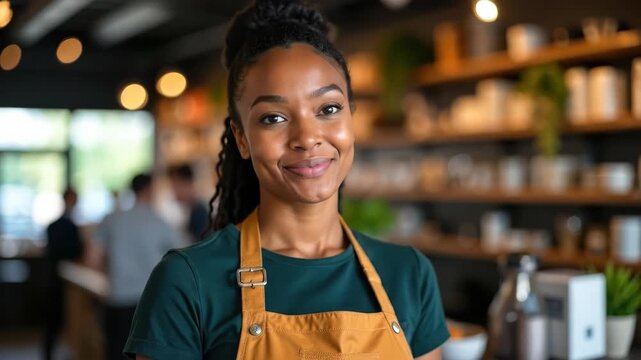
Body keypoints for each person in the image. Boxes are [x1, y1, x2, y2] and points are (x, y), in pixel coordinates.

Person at [125, 1, 449, 359]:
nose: (307, 137)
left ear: (352, 118)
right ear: (242, 138)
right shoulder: (187, 282)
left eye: (328, 109)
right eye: (273, 118)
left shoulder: (409, 274)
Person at [88, 173, 181, 360]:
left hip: (117, 297)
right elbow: (178, 259)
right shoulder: (159, 222)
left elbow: (92, 257)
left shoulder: (112, 218)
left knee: (114, 351)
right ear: (149, 190)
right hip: (148, 300)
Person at [43, 187, 84, 360]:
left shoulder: (54, 226)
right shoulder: (67, 226)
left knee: (56, 321)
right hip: (59, 279)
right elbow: (76, 250)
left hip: (56, 278)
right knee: (56, 320)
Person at [167, 163, 209, 243]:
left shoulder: (200, 213)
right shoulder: (191, 210)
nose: (173, 191)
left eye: (175, 185)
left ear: (187, 183)